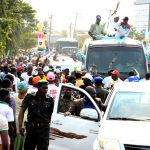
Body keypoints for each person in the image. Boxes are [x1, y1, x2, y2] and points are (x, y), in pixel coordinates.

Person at [18, 80, 54, 150]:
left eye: (47, 88)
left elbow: (51, 113)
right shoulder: (29, 97)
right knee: (28, 147)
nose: (46, 90)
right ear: (38, 87)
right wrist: (20, 126)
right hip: (31, 128)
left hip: (44, 129)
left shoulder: (50, 99)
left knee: (43, 148)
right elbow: (22, 111)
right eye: (44, 88)